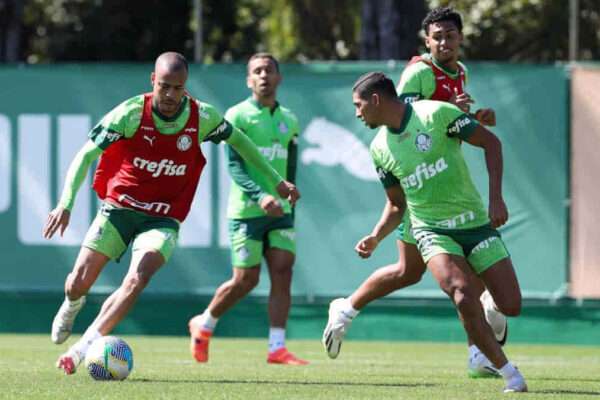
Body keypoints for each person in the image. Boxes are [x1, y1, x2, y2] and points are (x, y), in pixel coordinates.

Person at [44, 51, 300, 375]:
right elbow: (85, 155)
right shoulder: (131, 113)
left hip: (162, 219)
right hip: (119, 209)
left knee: (138, 278)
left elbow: (241, 142)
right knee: (77, 283)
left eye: (177, 88)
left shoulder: (201, 117)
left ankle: (81, 349)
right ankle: (72, 304)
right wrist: (65, 203)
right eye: (164, 86)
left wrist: (277, 181)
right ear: (153, 81)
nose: (169, 95)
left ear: (185, 87)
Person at [322, 6, 508, 379]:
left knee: (410, 272)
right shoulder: (419, 72)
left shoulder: (459, 73)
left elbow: (451, 121)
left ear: (459, 39)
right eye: (436, 36)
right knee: (460, 276)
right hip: (421, 188)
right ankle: (480, 349)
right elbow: (403, 118)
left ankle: (345, 310)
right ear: (426, 41)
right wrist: (449, 111)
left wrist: (475, 117)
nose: (443, 42)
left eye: (450, 36)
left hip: (444, 186)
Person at [188, 53, 307, 365]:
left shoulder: (290, 120)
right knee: (246, 280)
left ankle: (277, 347)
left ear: (279, 77)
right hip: (246, 212)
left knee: (283, 271)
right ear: (248, 80)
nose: (264, 75)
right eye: (257, 71)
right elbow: (234, 166)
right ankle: (204, 324)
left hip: (280, 212)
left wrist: (288, 196)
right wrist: (260, 197)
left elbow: (290, 164)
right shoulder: (237, 116)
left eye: (269, 70)